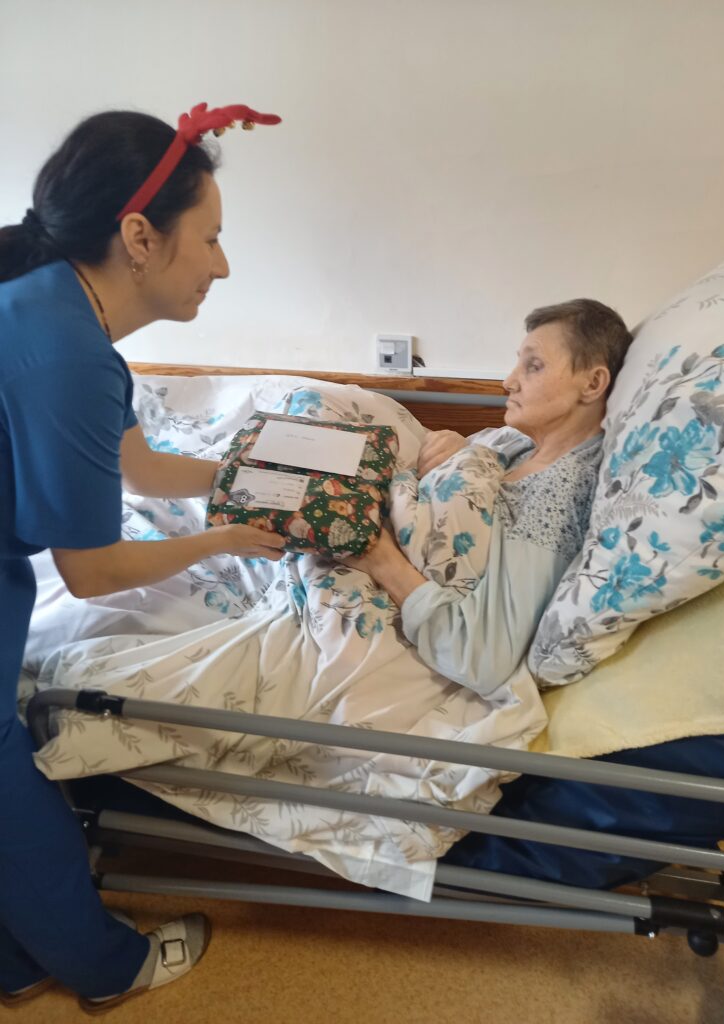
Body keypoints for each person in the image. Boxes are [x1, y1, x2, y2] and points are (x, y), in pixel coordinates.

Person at [0, 102, 286, 1012]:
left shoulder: (62, 312)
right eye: (211, 238)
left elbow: (142, 466)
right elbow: (93, 572)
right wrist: (228, 538)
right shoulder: (67, 352)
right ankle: (104, 966)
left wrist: (250, 479)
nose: (222, 265)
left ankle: (16, 961)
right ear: (139, 237)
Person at [351, 299, 632, 700]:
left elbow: (481, 657)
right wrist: (460, 447)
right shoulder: (521, 443)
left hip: (374, 585)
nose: (509, 381)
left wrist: (380, 557)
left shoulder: (559, 491)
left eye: (533, 366)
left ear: (592, 384)